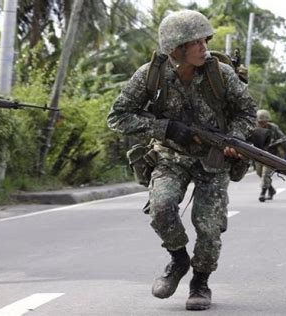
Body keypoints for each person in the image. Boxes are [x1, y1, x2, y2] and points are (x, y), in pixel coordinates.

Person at [107, 10, 257, 310]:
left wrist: (234, 140)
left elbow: (247, 111)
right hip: (170, 156)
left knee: (209, 226)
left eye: (205, 40)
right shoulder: (150, 75)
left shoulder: (221, 74)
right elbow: (118, 116)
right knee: (161, 208)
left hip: (212, 162)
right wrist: (165, 128)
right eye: (196, 43)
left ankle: (200, 283)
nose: (204, 48)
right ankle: (178, 260)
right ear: (177, 48)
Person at [255, 109, 286, 202]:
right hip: (258, 154)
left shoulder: (273, 128)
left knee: (266, 174)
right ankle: (271, 190)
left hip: (271, 155)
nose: (262, 124)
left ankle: (263, 193)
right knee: (259, 173)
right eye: (260, 122)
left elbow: (283, 138)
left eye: (264, 122)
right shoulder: (254, 128)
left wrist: (279, 144)